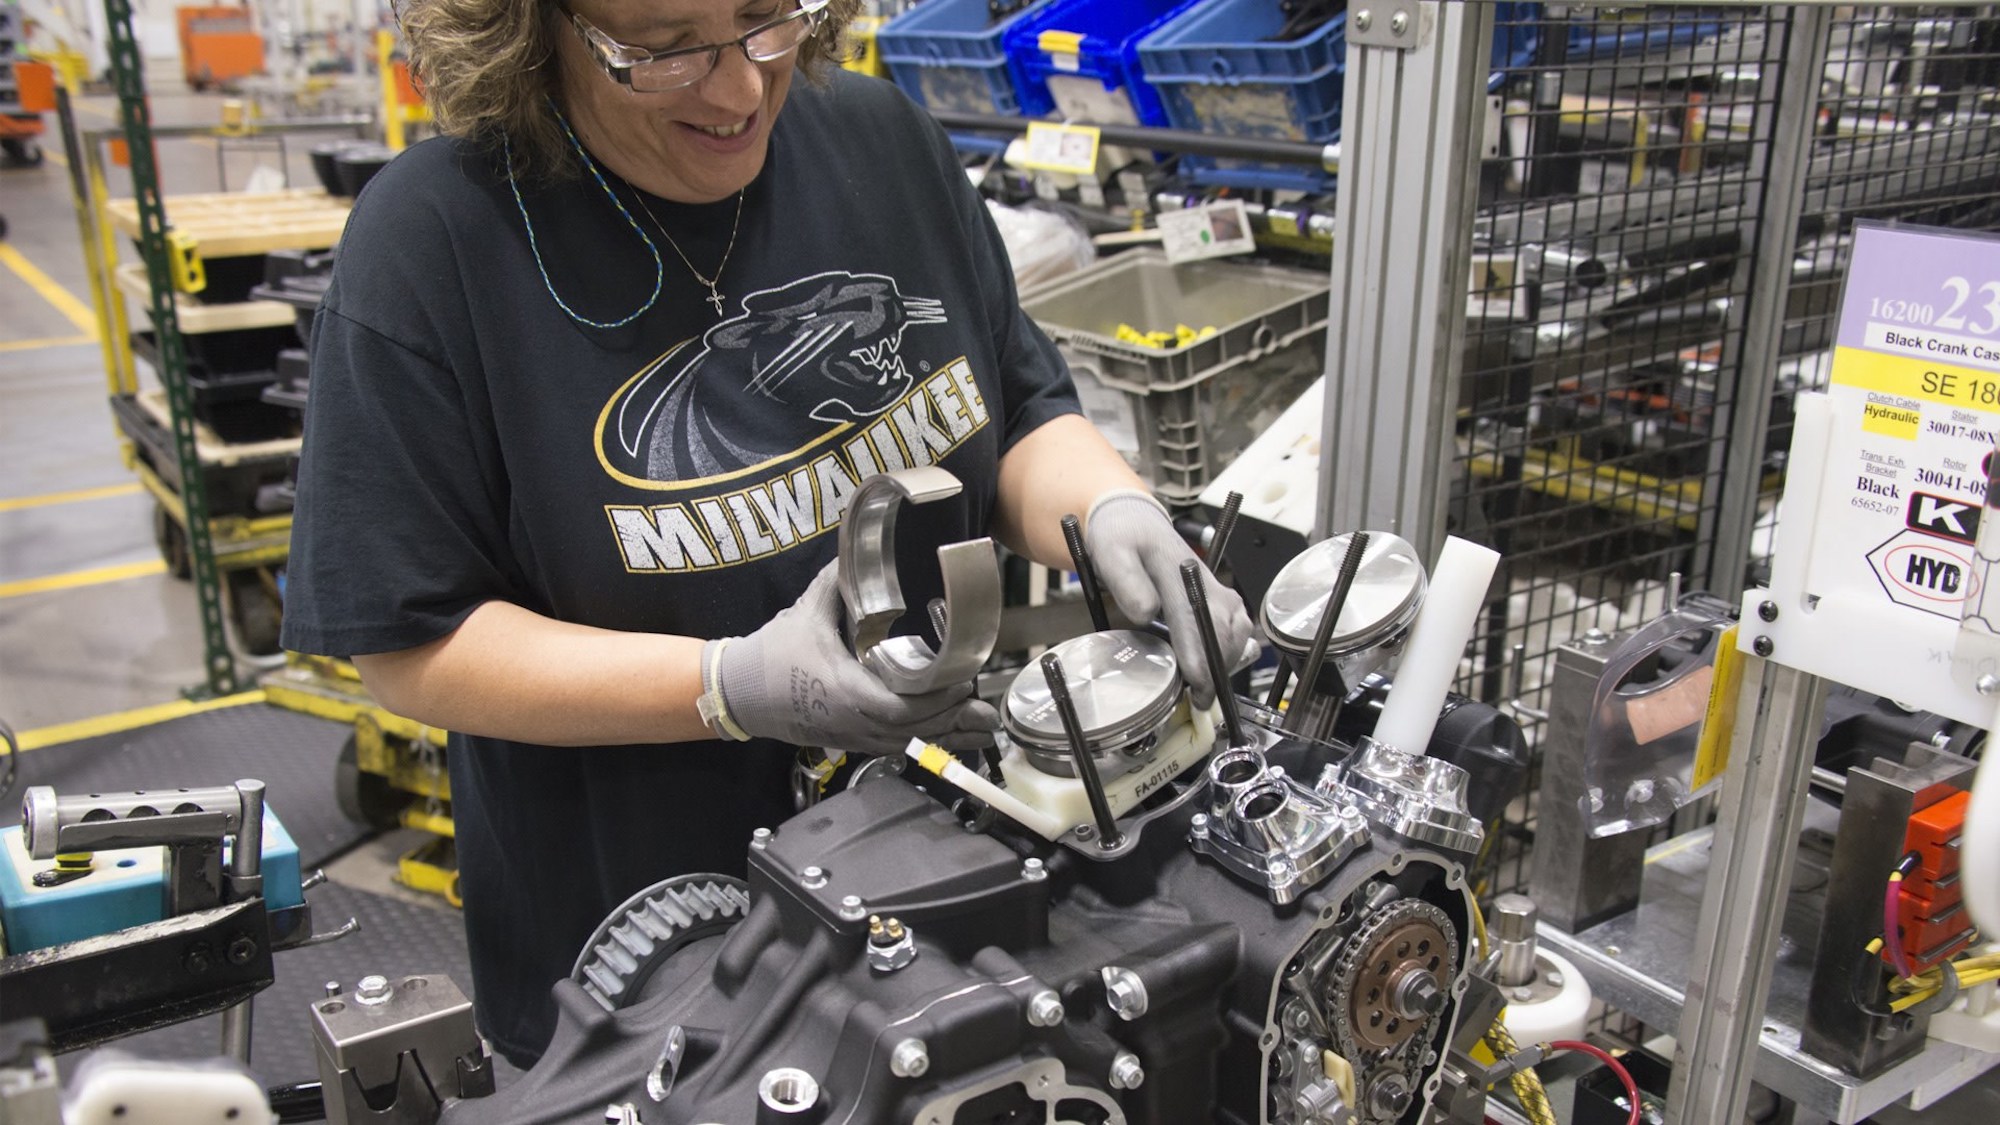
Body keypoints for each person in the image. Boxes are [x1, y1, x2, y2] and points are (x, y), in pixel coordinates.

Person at [279, 0, 1256, 1068]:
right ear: (530, 29)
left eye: (765, 21)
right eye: (663, 48)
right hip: (650, 970)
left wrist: (1109, 510)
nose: (740, 87)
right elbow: (413, 645)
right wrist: (726, 685)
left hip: (953, 924)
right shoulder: (434, 241)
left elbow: (1014, 406)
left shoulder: (879, 139)